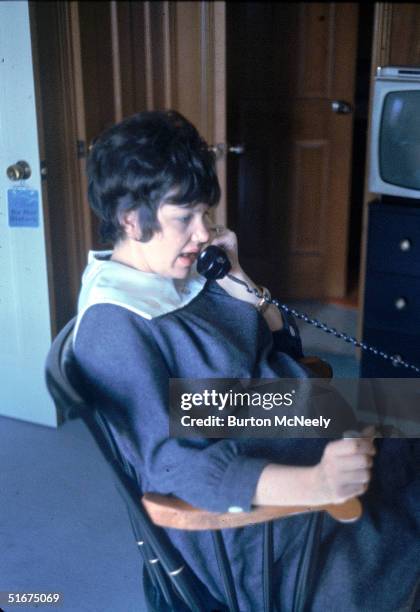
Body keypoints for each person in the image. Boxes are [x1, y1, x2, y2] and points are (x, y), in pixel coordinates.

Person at [73, 110, 420, 611]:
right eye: (184, 218)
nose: (202, 232)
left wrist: (243, 284)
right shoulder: (114, 326)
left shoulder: (181, 272)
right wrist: (316, 482)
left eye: (204, 214)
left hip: (291, 415)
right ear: (131, 220)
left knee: (412, 409)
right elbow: (170, 466)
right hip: (263, 515)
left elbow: (280, 350)